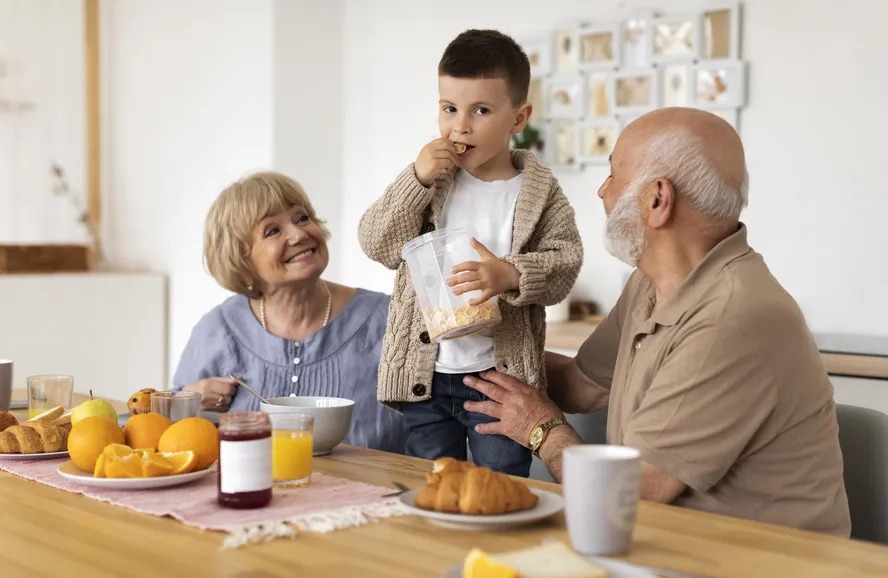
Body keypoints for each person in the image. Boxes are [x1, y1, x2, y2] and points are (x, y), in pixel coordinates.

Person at [461, 107, 852, 536]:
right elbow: (585, 384)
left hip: (760, 572)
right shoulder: (650, 283)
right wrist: (473, 354)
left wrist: (540, 429)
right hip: (669, 551)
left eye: (612, 175)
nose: (601, 192)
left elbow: (632, 493)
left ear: (657, 200)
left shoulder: (730, 320)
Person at [358, 29, 583, 477]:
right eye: (449, 109)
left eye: (481, 110)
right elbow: (376, 242)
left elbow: (566, 262)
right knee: (433, 485)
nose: (460, 126)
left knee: (500, 487)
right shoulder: (432, 182)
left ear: (519, 118)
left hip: (498, 382)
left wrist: (511, 274)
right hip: (428, 377)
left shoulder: (538, 192)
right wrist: (414, 180)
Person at [172, 171, 405, 453]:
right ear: (241, 260)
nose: (298, 234)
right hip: (256, 493)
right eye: (272, 231)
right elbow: (171, 436)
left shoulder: (389, 318)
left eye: (301, 218)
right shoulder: (218, 330)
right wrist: (189, 402)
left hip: (380, 494)